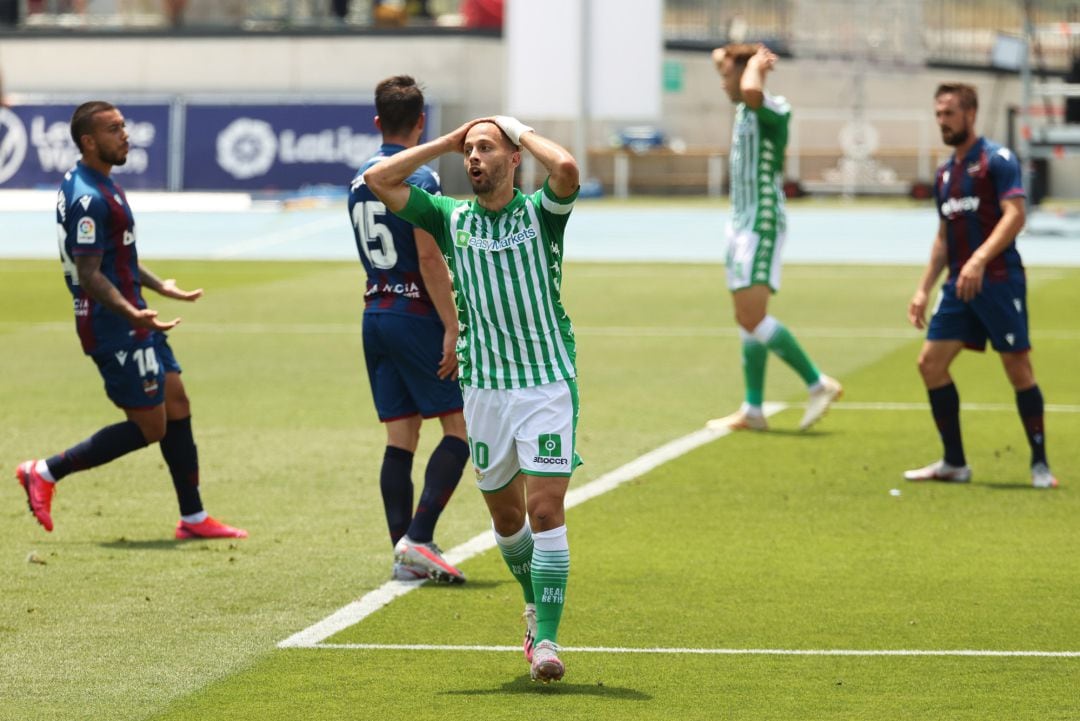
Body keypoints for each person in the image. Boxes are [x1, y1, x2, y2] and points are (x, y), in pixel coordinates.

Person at [364, 115, 580, 683]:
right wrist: (446, 140)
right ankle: (533, 604)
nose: (474, 157)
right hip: (483, 388)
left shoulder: (540, 213)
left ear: (513, 159)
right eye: (470, 151)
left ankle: (548, 640)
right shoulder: (448, 216)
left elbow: (565, 168)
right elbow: (379, 181)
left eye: (487, 149)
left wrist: (518, 128)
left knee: (544, 510)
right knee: (508, 522)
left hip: (545, 382)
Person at [15, 101, 248, 539]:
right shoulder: (88, 197)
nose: (126, 135)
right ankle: (44, 471)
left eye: (124, 126)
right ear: (88, 141)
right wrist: (132, 311)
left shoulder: (102, 183)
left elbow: (117, 257)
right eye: (114, 129)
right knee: (150, 426)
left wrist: (160, 289)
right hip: (112, 324)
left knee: (177, 403)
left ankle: (193, 517)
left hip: (135, 314)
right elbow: (90, 273)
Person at [904, 83, 1058, 489]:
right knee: (930, 365)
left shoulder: (996, 160)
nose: (943, 121)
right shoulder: (944, 174)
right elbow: (943, 236)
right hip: (958, 285)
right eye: (938, 114)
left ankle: (1040, 465)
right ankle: (954, 463)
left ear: (970, 114)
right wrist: (923, 288)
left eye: (949, 113)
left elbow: (1015, 215)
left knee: (1017, 368)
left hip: (999, 281)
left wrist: (979, 259)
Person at [348, 76, 470, 583]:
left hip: (375, 311)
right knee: (460, 430)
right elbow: (427, 255)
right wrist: (452, 326)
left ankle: (404, 551)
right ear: (422, 122)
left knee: (401, 437)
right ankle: (418, 538)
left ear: (378, 122)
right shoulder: (419, 180)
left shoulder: (360, 176)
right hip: (414, 313)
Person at [707, 44, 842, 433]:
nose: (722, 83)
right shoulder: (742, 107)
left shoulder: (772, 109)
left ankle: (818, 383)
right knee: (745, 318)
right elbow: (720, 56)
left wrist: (751, 65)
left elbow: (750, 91)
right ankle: (753, 409)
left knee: (753, 316)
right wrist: (738, 55)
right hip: (740, 223)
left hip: (760, 221)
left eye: (727, 76)